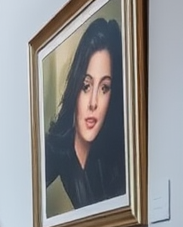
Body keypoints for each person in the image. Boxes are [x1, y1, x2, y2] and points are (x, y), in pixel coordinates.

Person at [44, 16, 126, 211]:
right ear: (75, 87)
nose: (93, 103)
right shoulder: (57, 146)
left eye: (104, 88)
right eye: (86, 86)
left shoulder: (119, 153)